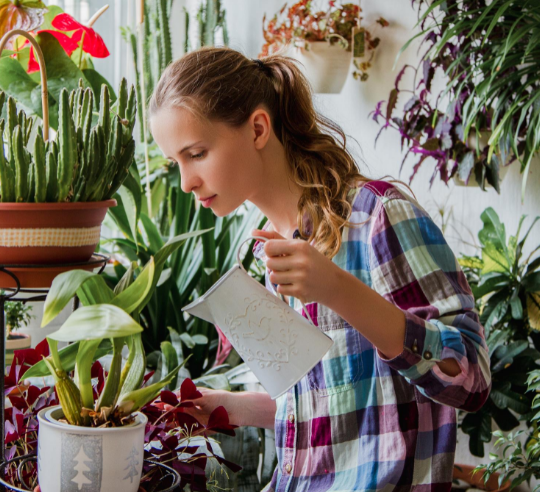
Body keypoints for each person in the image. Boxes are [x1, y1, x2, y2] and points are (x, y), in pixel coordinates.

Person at [148, 47, 491, 492]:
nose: (186, 182)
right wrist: (234, 409)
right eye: (175, 162)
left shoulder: (378, 217)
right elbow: (340, 408)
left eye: (196, 153)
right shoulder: (266, 253)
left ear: (257, 128)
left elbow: (471, 380)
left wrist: (337, 290)